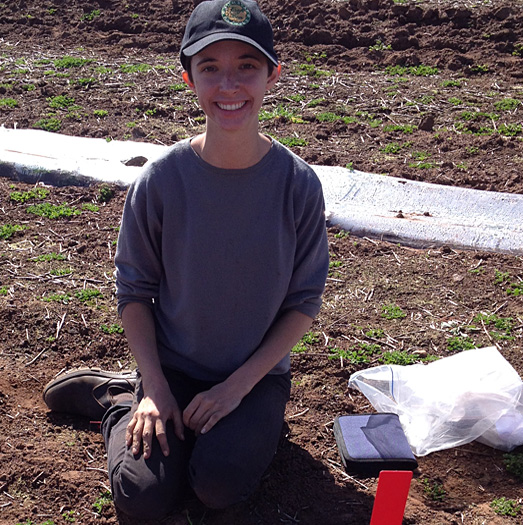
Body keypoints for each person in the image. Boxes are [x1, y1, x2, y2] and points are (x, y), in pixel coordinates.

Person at [42, 0, 329, 519]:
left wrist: (237, 390)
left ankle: (247, 424)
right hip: (170, 370)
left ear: (272, 76)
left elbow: (303, 301)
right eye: (210, 68)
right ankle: (120, 397)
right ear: (188, 79)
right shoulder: (162, 180)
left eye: (246, 66)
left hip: (254, 376)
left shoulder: (297, 185)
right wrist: (154, 387)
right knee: (143, 501)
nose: (229, 86)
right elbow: (134, 290)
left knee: (218, 487)